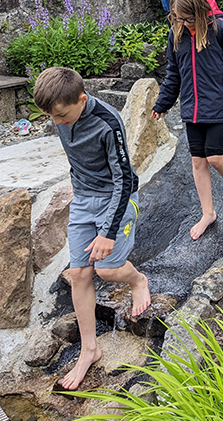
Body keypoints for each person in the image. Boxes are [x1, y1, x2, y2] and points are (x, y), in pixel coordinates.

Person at [33, 67, 150, 391]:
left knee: (108, 271)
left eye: (62, 116)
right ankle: (90, 348)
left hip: (118, 198)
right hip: (84, 199)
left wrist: (108, 233)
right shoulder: (61, 112)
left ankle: (138, 279)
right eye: (51, 117)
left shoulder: (107, 122)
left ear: (82, 99)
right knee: (81, 274)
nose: (57, 123)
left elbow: (124, 180)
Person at [152, 0, 223, 240]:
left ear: (199, 11)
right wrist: (162, 104)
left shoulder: (222, 29)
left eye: (187, 19)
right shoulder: (176, 34)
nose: (183, 23)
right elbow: (173, 74)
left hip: (219, 105)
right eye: (177, 18)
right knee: (198, 161)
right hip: (191, 108)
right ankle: (207, 213)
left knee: (215, 157)